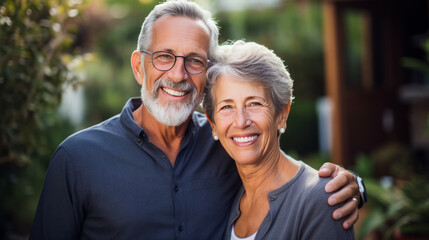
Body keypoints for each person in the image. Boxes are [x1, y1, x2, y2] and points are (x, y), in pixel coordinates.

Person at [30, 1, 363, 239]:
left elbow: (284, 179)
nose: (178, 74)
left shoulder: (226, 142)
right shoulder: (77, 160)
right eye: (163, 57)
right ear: (138, 66)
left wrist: (350, 188)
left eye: (194, 61)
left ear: (207, 76)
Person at [203, 40, 356, 240]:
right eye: (226, 107)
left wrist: (357, 186)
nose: (241, 122)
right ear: (212, 123)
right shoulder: (226, 194)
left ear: (282, 114)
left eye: (255, 103)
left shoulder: (321, 199)